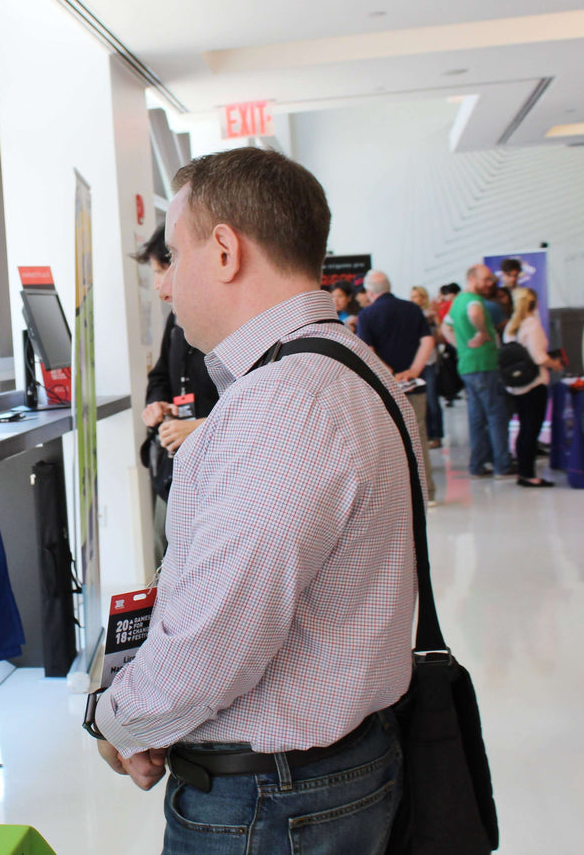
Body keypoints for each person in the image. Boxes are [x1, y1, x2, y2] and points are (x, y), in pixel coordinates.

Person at [90, 147, 414, 855]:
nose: (167, 286)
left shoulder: (285, 401)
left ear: (227, 249)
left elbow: (219, 635)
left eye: (174, 256)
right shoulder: (356, 367)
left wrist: (122, 719)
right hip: (337, 771)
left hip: (272, 803)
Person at [134, 225, 219, 568]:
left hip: (214, 472)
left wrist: (199, 426)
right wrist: (156, 404)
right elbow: (159, 377)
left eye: (159, 271)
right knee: (164, 558)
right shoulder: (176, 320)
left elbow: (252, 404)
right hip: (172, 467)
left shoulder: (225, 323)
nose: (158, 284)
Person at [356, 271, 438, 503]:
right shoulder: (413, 309)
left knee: (389, 443)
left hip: (385, 390)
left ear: (370, 293)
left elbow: (367, 350)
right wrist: (413, 370)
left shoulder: (367, 314)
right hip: (415, 385)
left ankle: (399, 499)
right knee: (419, 437)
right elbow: (428, 340)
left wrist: (390, 373)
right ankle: (427, 493)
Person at [443, 264, 514, 479]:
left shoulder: (457, 302)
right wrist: (483, 332)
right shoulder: (474, 301)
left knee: (476, 417)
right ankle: (502, 465)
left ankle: (477, 464)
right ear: (472, 279)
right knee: (496, 415)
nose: (490, 283)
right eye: (486, 279)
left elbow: (445, 328)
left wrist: (461, 347)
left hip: (467, 364)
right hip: (483, 364)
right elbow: (474, 312)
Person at [503, 288, 561, 487]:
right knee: (531, 429)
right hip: (534, 383)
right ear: (534, 303)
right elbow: (539, 357)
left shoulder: (511, 326)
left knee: (524, 428)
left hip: (516, 385)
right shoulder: (532, 325)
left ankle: (523, 471)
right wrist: (555, 364)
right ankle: (529, 474)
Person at [409, 284, 445, 448]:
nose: (413, 299)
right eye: (412, 296)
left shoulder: (429, 316)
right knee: (423, 400)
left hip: (429, 361)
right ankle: (429, 434)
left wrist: (436, 320)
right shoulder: (410, 315)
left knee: (431, 399)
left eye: (416, 296)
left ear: (423, 298)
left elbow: (439, 338)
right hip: (416, 362)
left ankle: (436, 434)